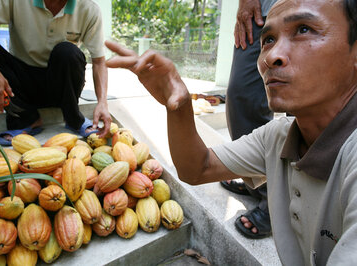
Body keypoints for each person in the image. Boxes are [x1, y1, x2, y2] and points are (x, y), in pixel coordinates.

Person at [105, 0, 357, 263]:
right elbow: (197, 168)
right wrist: (178, 106)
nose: (271, 57)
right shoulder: (278, 137)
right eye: (268, 39)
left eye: (304, 30)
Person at [0, 0, 112, 145]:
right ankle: (25, 119)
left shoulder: (89, 8)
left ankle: (73, 118)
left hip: (61, 87)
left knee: (68, 52)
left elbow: (99, 62)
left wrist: (102, 102)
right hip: (20, 85)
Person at [221, 0, 277, 239]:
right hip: (262, 11)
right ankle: (257, 179)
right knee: (241, 95)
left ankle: (278, 205)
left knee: (306, 104)